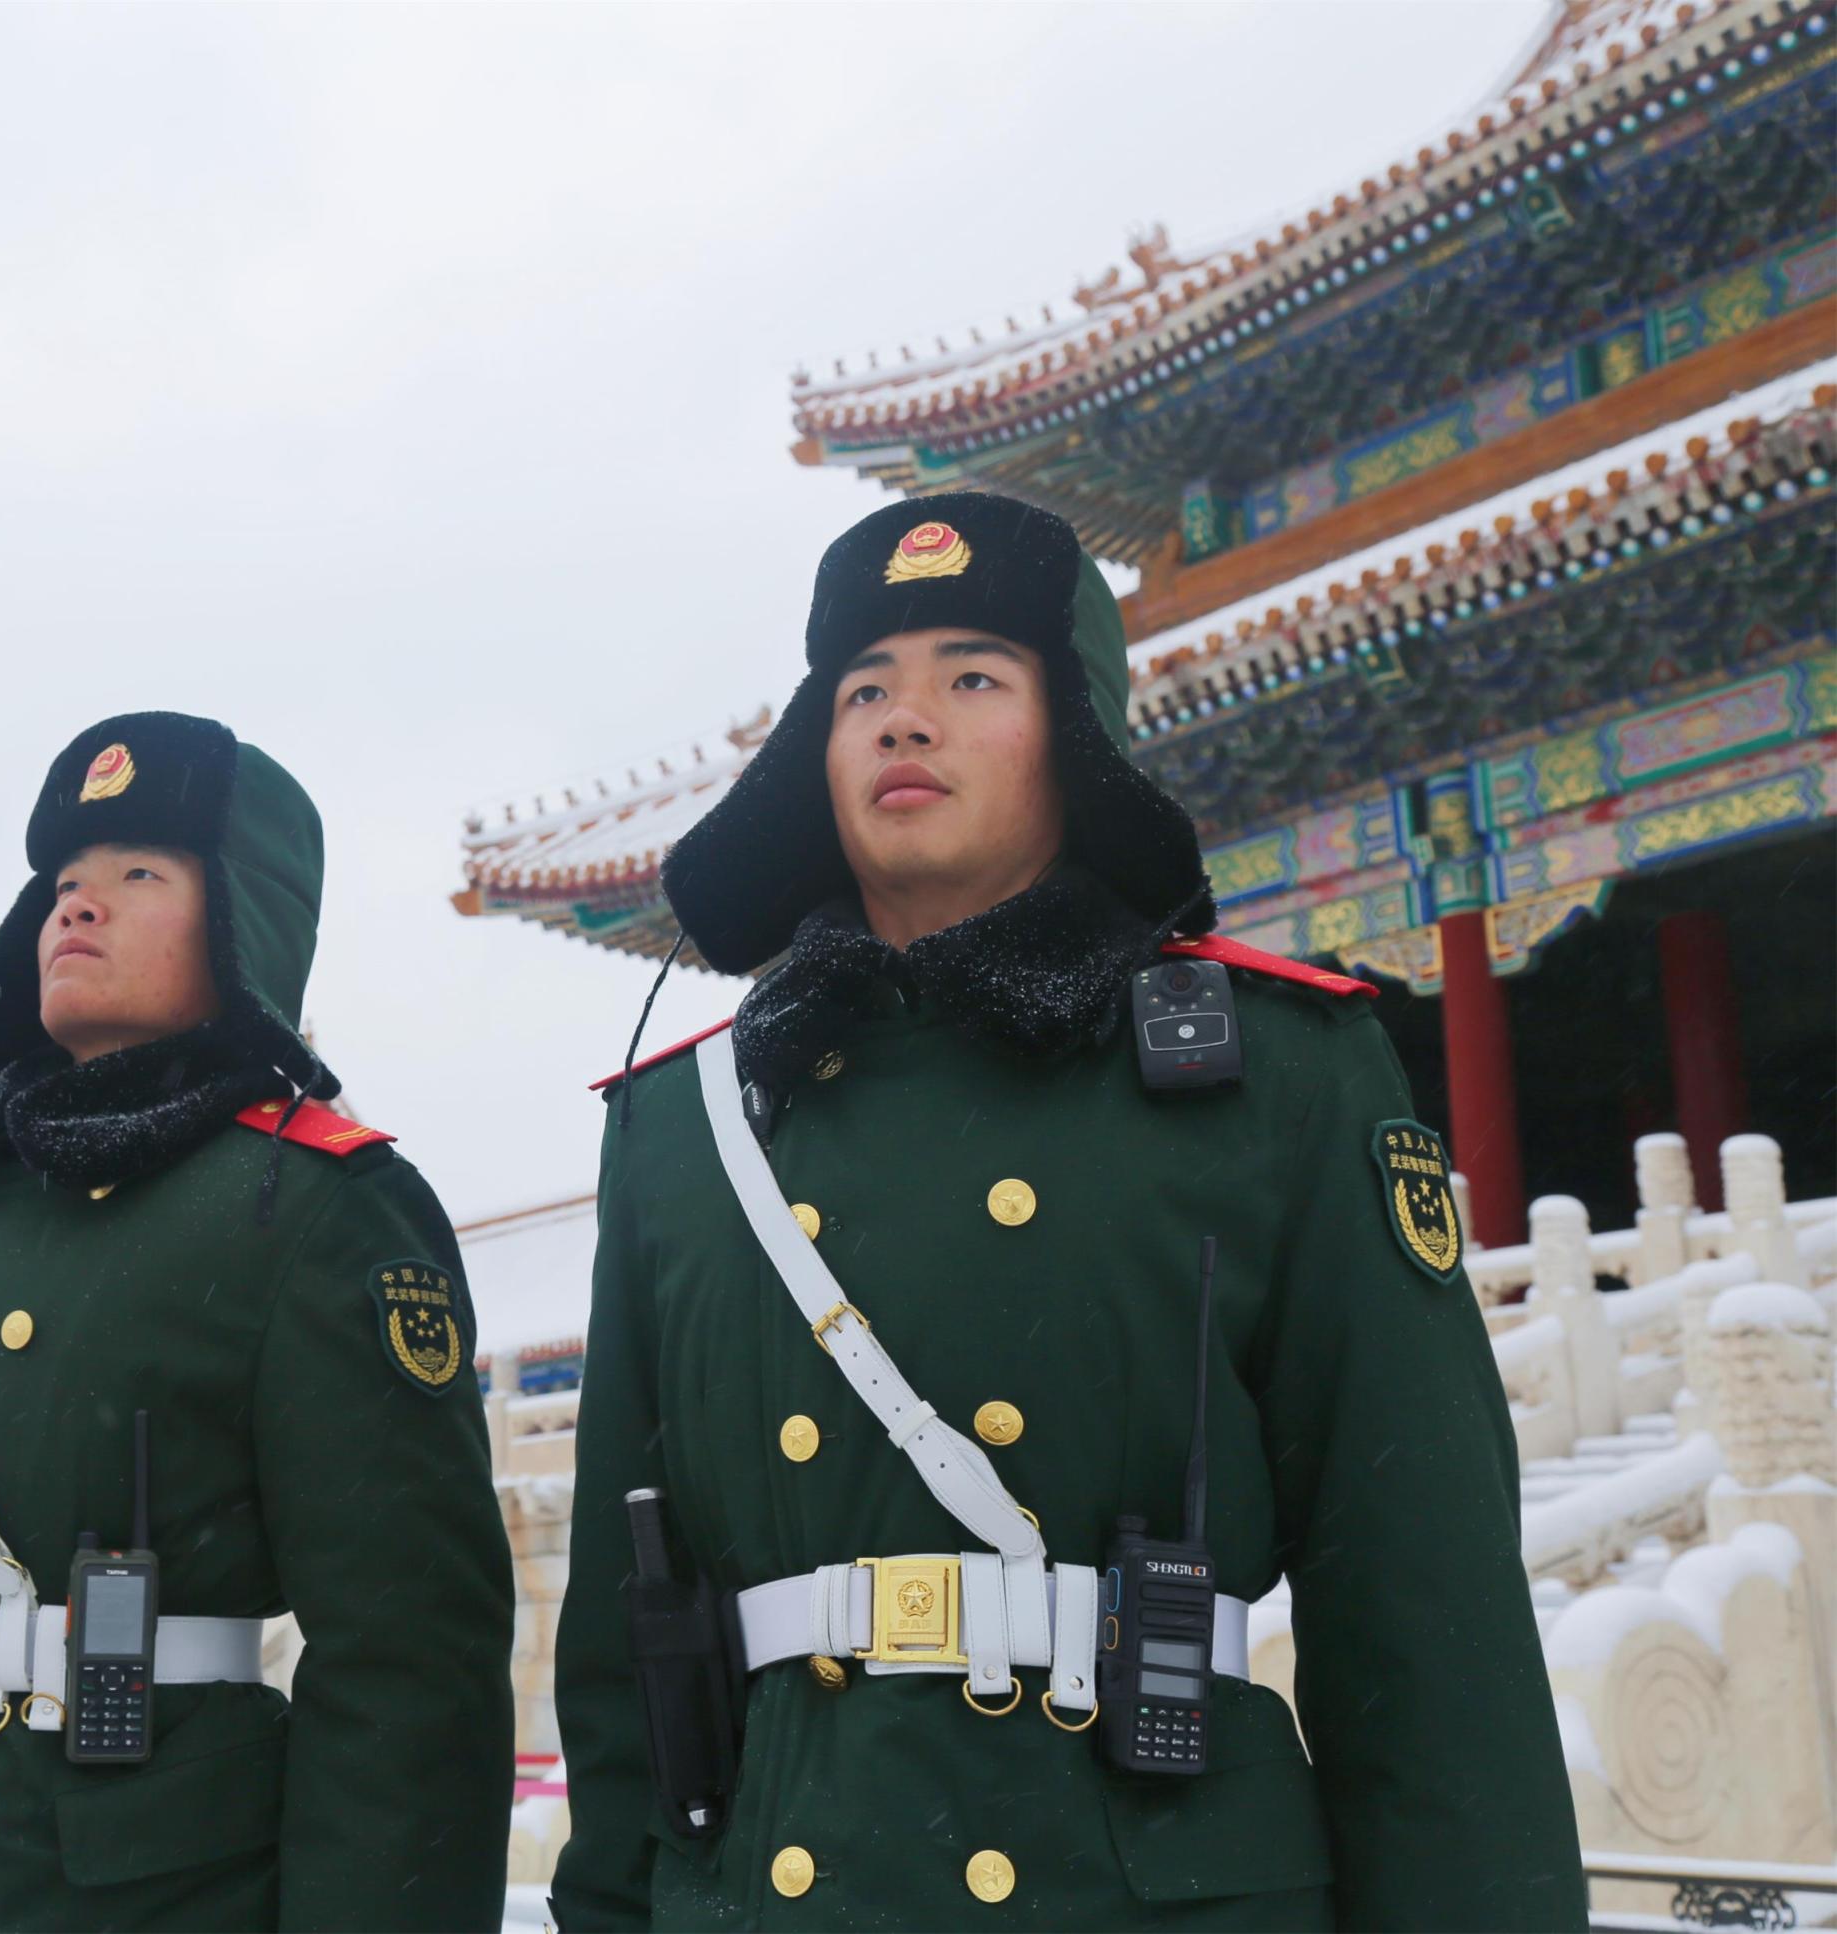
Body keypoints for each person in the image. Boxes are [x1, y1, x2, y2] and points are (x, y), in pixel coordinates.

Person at [549, 494, 1584, 1928]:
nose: (903, 721)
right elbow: (618, 1631)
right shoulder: (686, 1124)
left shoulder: (1275, 1069)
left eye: (971, 676)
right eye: (863, 692)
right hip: (782, 1887)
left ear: (1074, 735)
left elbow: (1423, 1615)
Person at [0, 711, 513, 1931]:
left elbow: (407, 1665)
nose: (79, 906)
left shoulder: (311, 1206)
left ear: (241, 920)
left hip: (139, 1889)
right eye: (65, 883)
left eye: (139, 874)